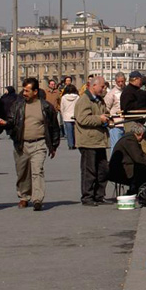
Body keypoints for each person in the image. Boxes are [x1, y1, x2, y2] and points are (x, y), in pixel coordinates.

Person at [0, 77, 60, 211]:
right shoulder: (18, 105)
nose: (24, 93)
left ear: (35, 91)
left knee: (38, 171)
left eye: (27, 91)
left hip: (39, 144)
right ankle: (24, 196)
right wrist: (6, 123)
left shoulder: (46, 107)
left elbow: (54, 127)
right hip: (21, 144)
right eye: (23, 90)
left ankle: (37, 199)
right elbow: (11, 120)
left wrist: (53, 146)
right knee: (23, 173)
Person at [74, 76, 111, 206]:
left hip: (99, 140)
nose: (104, 89)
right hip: (88, 141)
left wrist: (108, 118)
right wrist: (99, 119)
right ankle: (87, 197)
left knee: (103, 170)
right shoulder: (84, 100)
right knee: (89, 170)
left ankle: (99, 195)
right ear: (93, 86)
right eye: (102, 87)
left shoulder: (100, 100)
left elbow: (104, 113)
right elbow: (82, 119)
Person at [108, 122, 146, 194]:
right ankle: (137, 190)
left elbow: (141, 154)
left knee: (143, 166)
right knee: (143, 168)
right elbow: (137, 157)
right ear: (141, 134)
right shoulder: (129, 140)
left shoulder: (130, 138)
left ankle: (136, 190)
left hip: (122, 167)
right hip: (119, 171)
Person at [104, 72, 126, 150]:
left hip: (126, 123)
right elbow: (106, 108)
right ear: (115, 82)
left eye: (122, 81)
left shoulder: (127, 91)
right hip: (116, 124)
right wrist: (110, 120)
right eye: (118, 82)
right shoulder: (111, 93)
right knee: (116, 147)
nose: (120, 83)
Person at [60, 84, 79, 149]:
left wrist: (63, 115)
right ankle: (75, 143)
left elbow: (62, 108)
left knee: (69, 132)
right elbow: (79, 107)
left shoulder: (63, 97)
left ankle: (70, 144)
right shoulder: (77, 97)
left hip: (66, 116)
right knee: (75, 131)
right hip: (75, 116)